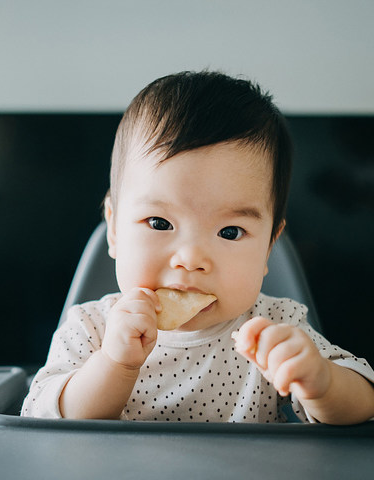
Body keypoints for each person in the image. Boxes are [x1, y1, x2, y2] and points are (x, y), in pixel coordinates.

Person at [22, 71, 374, 424]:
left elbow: (364, 405)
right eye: (160, 223)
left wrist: (322, 383)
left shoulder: (276, 327)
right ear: (113, 229)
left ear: (268, 248)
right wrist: (114, 364)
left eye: (230, 231)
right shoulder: (91, 329)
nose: (191, 259)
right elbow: (44, 417)